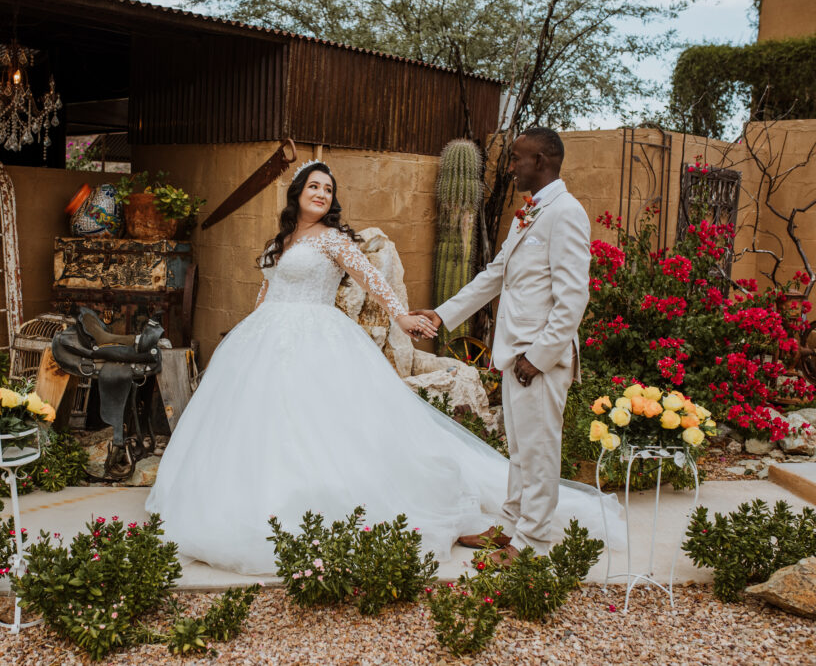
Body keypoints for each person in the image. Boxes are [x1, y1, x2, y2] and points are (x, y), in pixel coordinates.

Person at [145, 158, 621, 575]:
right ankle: (242, 502)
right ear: (297, 194)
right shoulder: (283, 240)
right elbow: (266, 291)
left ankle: (527, 532)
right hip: (265, 337)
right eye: (313, 186)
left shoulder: (334, 240)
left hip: (317, 337)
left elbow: (372, 280)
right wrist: (247, 333)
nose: (320, 193)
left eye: (327, 189)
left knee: (320, 429)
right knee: (257, 427)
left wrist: (407, 317)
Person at [411, 127, 591, 564]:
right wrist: (442, 314)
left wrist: (540, 357)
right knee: (519, 449)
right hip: (516, 354)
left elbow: (573, 299)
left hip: (538, 359)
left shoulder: (566, 213)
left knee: (540, 451)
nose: (510, 168)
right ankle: (510, 527)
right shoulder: (530, 213)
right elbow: (495, 275)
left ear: (541, 162)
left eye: (516, 159)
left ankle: (532, 544)